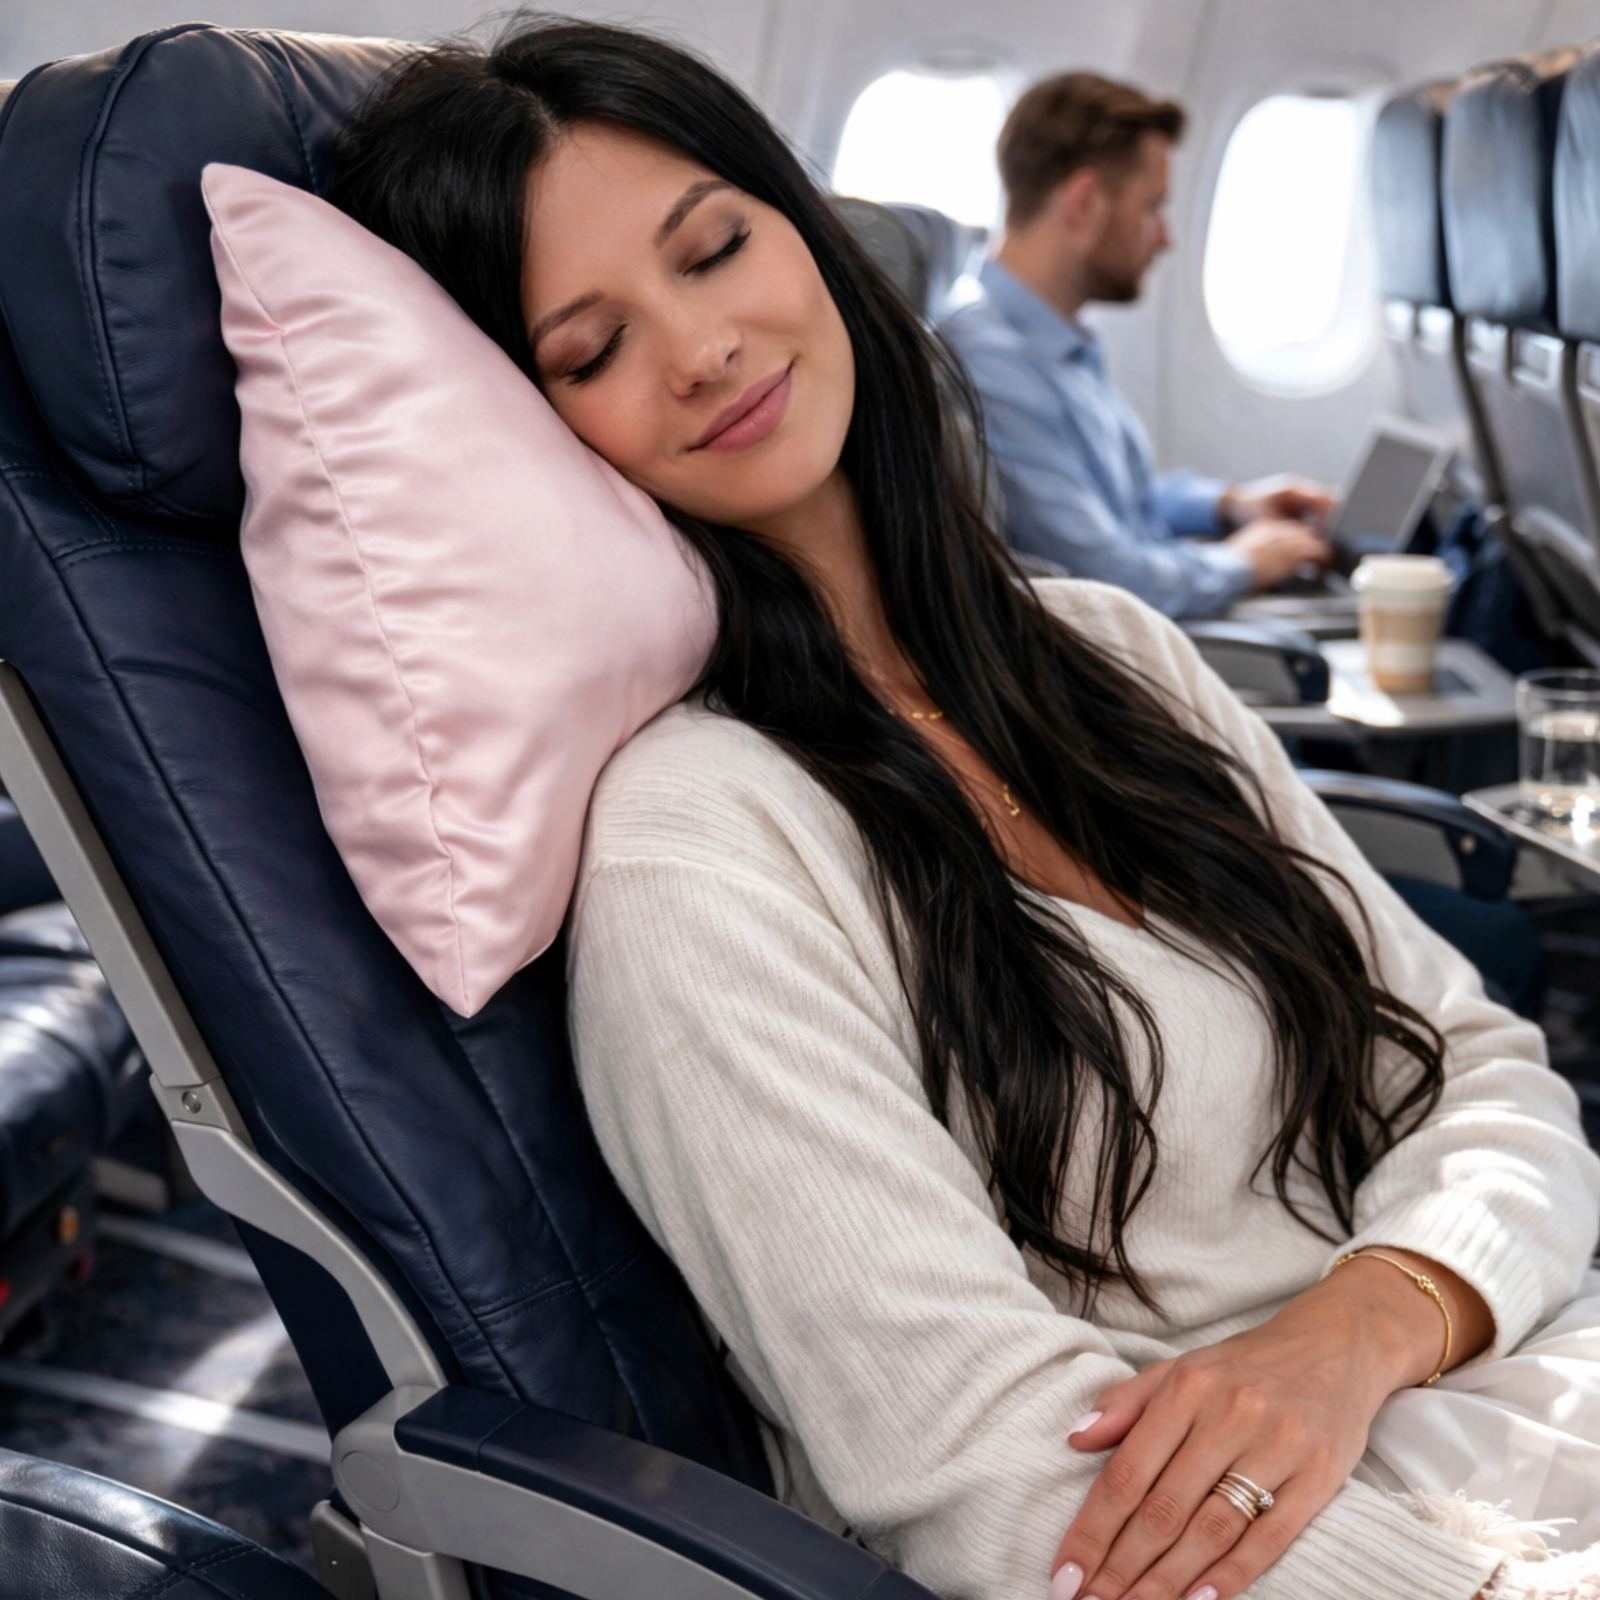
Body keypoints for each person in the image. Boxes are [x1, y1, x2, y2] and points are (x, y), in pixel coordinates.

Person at [333, 21, 1600, 1600]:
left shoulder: (1113, 650)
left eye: (716, 248)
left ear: (806, 229)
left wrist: (1374, 1316)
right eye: (589, 349)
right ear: (528, 430)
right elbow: (989, 1479)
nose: (703, 347)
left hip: (1501, 1378)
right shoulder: (698, 848)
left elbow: (1482, 1070)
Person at [939, 74, 1337, 620]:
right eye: (1153, 207)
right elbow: (1103, 579)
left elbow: (1121, 504)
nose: (1166, 237)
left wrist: (1230, 506)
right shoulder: (990, 365)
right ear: (1084, 204)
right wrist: (1244, 563)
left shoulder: (1056, 345)